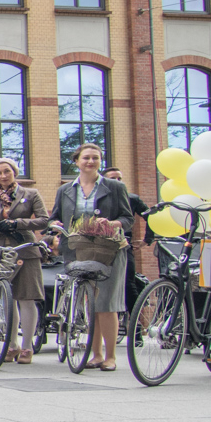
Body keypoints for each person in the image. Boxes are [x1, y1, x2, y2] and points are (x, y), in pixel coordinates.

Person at [50, 144, 133, 371]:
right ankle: (96, 355)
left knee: (106, 303)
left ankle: (110, 357)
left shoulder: (115, 187)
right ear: (76, 161)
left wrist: (112, 223)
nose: (90, 161)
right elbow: (54, 217)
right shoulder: (65, 190)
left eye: (95, 158)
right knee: (90, 303)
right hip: (78, 250)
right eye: (86, 158)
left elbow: (128, 219)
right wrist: (54, 225)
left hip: (108, 250)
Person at [0, 157, 51, 364]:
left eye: (7, 171)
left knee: (26, 298)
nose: (3, 176)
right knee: (6, 299)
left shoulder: (31, 194)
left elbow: (44, 220)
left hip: (25, 250)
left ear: (15, 172)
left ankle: (27, 347)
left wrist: (17, 223)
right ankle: (12, 345)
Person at [103, 165, 149, 311]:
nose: (117, 181)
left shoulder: (132, 199)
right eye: (113, 179)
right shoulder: (95, 198)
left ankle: (136, 322)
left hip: (123, 243)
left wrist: (147, 240)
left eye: (120, 178)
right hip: (100, 244)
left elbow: (151, 216)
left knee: (129, 282)